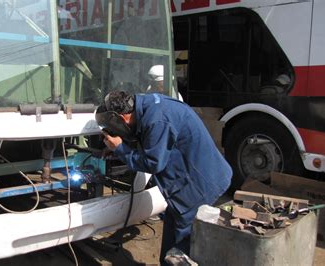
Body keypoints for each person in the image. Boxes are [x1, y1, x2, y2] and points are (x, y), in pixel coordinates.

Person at [95, 90, 232, 265]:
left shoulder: (158, 119)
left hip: (197, 185)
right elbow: (146, 135)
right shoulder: (145, 105)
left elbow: (152, 163)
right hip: (189, 177)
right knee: (170, 241)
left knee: (183, 249)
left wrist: (121, 149)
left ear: (123, 118)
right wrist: (120, 148)